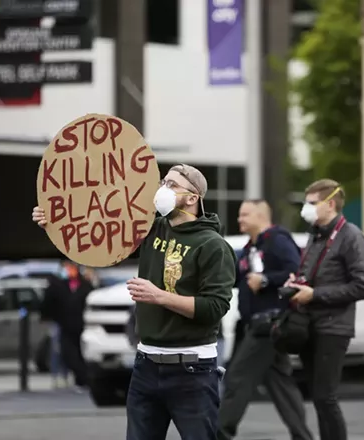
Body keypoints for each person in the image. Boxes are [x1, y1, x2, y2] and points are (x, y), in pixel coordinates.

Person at [35, 164, 235, 440]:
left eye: (173, 185)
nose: (163, 189)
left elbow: (215, 308)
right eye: (164, 182)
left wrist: (159, 296)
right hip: (145, 366)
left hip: (192, 371)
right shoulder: (152, 228)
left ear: (193, 198)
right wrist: (55, 222)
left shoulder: (213, 245)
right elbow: (98, 234)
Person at [285, 179, 364, 440]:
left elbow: (362, 286)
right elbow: (313, 274)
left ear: (330, 203)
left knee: (326, 396)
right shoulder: (316, 234)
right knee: (320, 397)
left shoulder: (351, 236)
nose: (306, 209)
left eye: (312, 203)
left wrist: (316, 294)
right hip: (310, 324)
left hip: (334, 327)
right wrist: (296, 283)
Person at [218, 200, 312, 440]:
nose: (240, 219)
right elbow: (234, 279)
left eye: (245, 214)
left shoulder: (277, 240)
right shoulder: (250, 247)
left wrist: (266, 280)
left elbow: (296, 273)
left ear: (261, 216)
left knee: (236, 378)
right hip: (256, 325)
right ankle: (303, 436)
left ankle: (220, 433)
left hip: (270, 323)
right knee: (282, 386)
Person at [40, 261, 94, 389]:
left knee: (77, 352)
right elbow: (48, 303)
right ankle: (59, 375)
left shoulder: (84, 285)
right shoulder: (57, 285)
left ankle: (79, 377)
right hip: (62, 323)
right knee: (60, 350)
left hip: (80, 324)